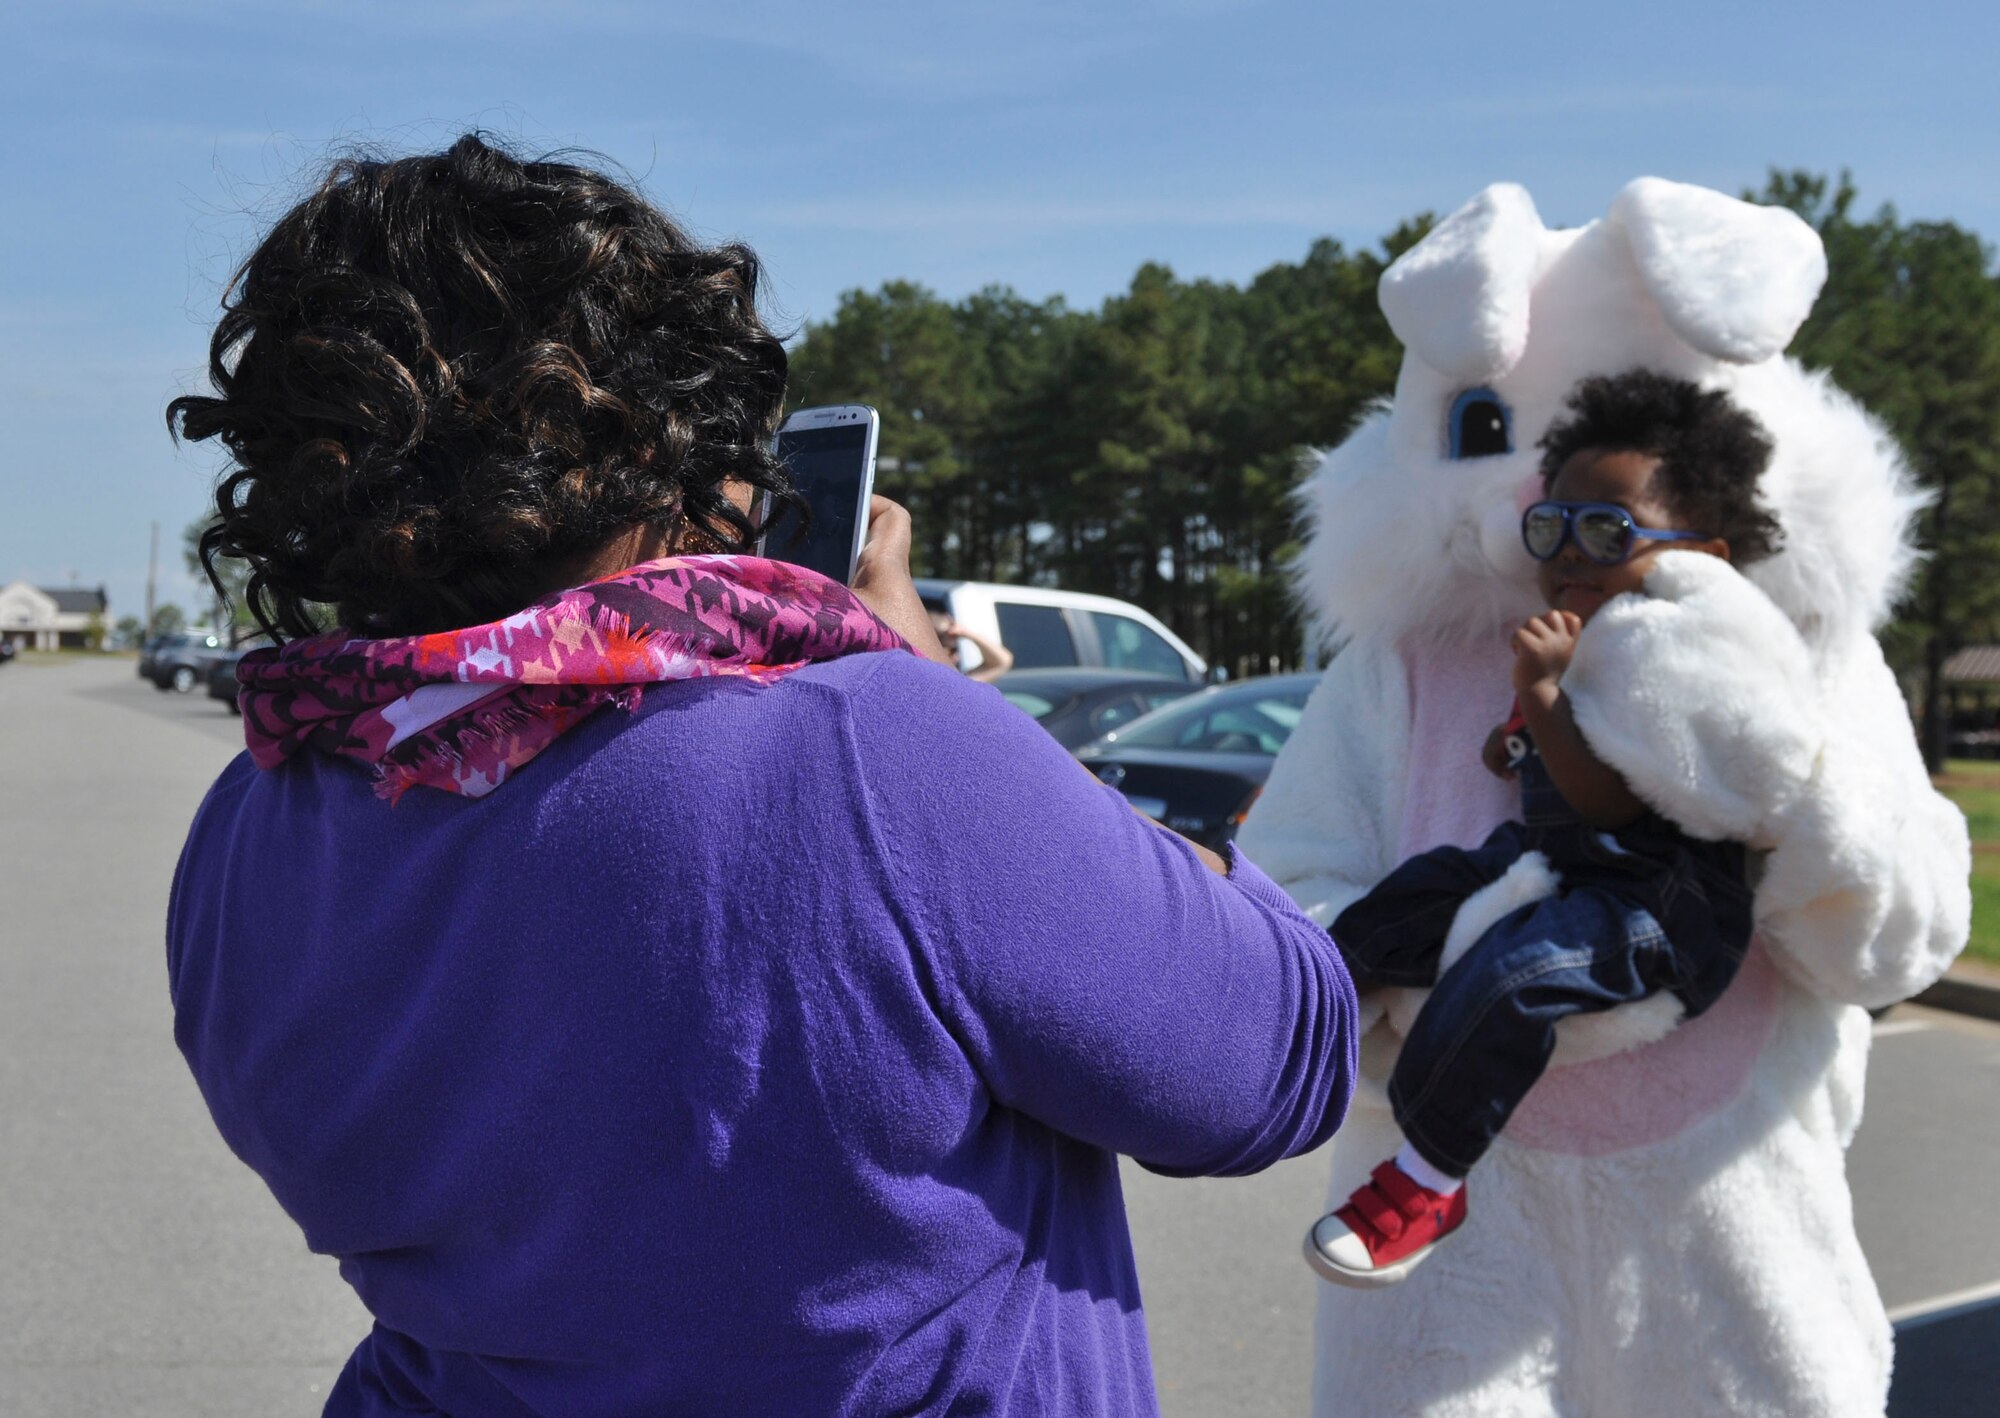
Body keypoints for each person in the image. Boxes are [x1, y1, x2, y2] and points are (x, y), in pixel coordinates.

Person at [162, 134, 1360, 1417]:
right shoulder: (865, 751)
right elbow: (1273, 1057)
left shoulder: (247, 825)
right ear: (648, 441)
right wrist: (933, 698)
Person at [1304, 374, 1772, 1286]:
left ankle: (1431, 1176)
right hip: (1566, 863)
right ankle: (1314, 1006)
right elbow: (1538, 770)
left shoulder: (1696, 658)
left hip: (1659, 902)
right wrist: (1519, 732)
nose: (1570, 554)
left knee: (1516, 975)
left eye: (1607, 533)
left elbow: (1612, 802)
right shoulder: (1591, 638)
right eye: (1550, 529)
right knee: (1427, 888)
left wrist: (1541, 697)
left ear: (1701, 557)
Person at [928, 606, 1015, 682]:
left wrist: (965, 632)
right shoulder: (948, 686)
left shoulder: (957, 683)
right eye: (951, 651)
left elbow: (1001, 662)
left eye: (955, 651)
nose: (957, 658)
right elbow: (1002, 662)